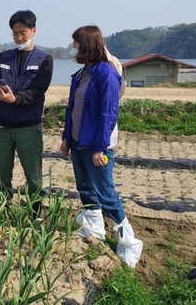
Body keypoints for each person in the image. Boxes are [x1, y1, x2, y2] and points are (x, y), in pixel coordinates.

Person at [60, 25, 143, 268]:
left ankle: (129, 243)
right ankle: (94, 230)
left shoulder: (105, 72)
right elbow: (71, 109)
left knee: (105, 191)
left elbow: (108, 112)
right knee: (84, 187)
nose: (73, 46)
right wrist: (66, 137)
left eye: (76, 42)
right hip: (77, 141)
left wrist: (99, 147)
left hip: (96, 144)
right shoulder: (83, 73)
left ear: (86, 44)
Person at [0, 10, 53, 218]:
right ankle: (1, 212)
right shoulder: (2, 57)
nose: (18, 38)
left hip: (29, 126)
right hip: (3, 126)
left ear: (34, 31)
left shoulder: (44, 59)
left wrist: (14, 99)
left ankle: (34, 214)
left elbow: (37, 90)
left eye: (22, 33)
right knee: (0, 175)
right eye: (14, 33)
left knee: (33, 176)